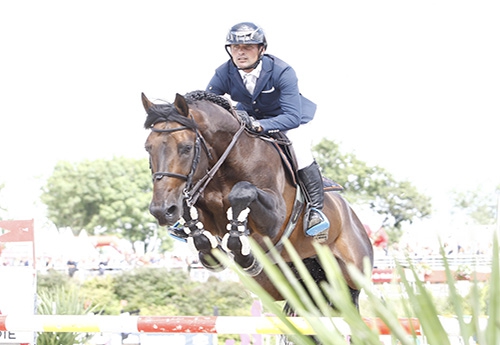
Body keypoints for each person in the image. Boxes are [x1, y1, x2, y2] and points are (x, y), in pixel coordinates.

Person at [206, 22, 329, 237]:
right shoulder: (224, 72)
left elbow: (292, 116)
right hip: (251, 119)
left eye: (248, 47)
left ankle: (315, 209)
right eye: (235, 48)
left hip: (289, 120)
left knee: (300, 148)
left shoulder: (282, 71)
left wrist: (261, 125)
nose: (241, 52)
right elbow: (208, 102)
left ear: (261, 49)